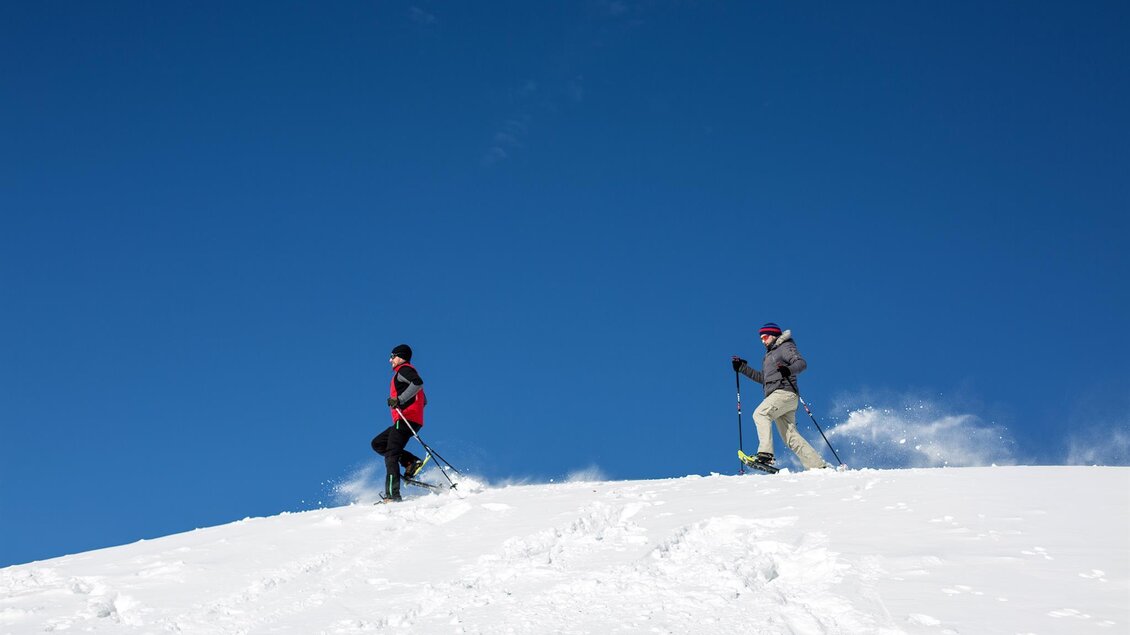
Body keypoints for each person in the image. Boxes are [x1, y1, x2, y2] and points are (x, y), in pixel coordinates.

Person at [732, 323, 830, 471]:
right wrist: (743, 368)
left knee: (760, 414)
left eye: (765, 337)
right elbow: (763, 379)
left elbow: (801, 363)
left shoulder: (784, 347)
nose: (763, 341)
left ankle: (765, 455)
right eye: (761, 339)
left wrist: (788, 370)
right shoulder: (769, 355)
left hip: (784, 393)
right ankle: (818, 466)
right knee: (790, 437)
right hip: (780, 397)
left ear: (774, 335)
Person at [371, 344, 427, 502]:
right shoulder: (404, 372)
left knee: (391, 455)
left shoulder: (404, 370)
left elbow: (418, 383)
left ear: (401, 357)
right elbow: (424, 400)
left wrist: (400, 400)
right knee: (378, 443)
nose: (390, 360)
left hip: (405, 419)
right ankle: (410, 462)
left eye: (393, 356)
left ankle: (392, 496)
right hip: (409, 420)